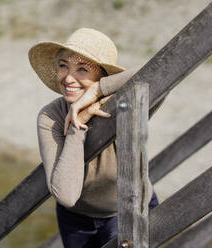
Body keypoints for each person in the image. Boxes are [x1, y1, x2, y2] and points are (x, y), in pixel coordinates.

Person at [29, 28, 160, 247]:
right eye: (63, 66)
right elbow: (67, 195)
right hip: (77, 221)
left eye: (82, 69)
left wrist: (97, 91)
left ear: (102, 75)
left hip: (128, 209)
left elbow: (160, 71)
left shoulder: (125, 103)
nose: (69, 78)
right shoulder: (50, 116)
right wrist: (77, 126)